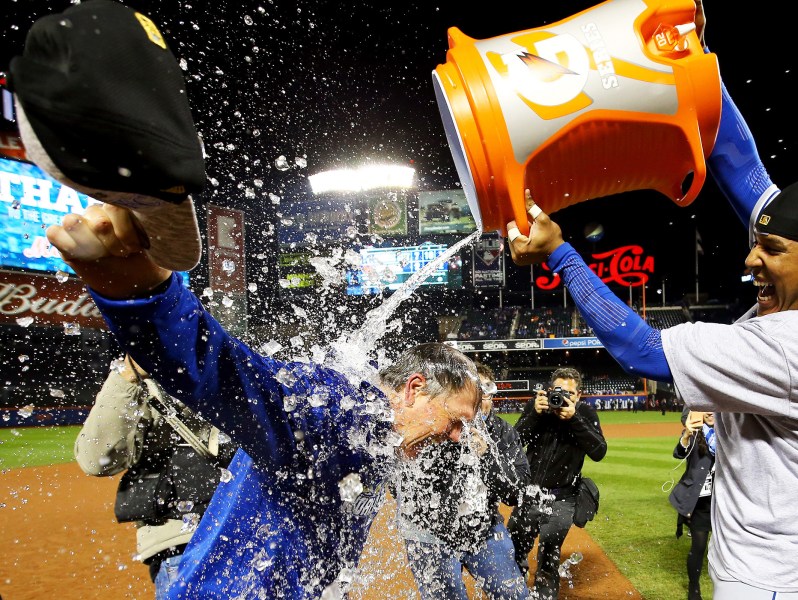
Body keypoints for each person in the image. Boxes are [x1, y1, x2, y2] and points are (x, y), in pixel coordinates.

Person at [504, 19, 798, 594]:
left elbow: (643, 349)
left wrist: (560, 253)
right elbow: (739, 163)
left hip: (777, 580)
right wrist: (692, 61)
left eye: (773, 249)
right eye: (758, 240)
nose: (752, 258)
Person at [46, 202, 483, 598]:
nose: (459, 436)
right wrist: (144, 297)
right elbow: (232, 377)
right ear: (414, 388)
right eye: (456, 420)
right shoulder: (339, 410)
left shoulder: (381, 437)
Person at [74, 355, 237, 598]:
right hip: (185, 544)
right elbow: (96, 460)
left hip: (257, 534)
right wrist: (129, 374)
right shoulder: (142, 381)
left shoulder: (239, 364)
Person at [394, 361, 530, 599]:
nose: (475, 405)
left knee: (513, 596)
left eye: (482, 395)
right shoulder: (434, 426)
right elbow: (399, 480)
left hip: (484, 531)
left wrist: (486, 455)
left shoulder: (502, 432)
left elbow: (516, 493)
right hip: (429, 535)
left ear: (490, 398)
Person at [506, 367, 607, 600]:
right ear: (549, 390)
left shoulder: (585, 414)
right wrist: (534, 414)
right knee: (513, 550)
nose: (562, 398)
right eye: (559, 392)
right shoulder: (538, 408)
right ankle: (515, 593)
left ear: (579, 395)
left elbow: (599, 451)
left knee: (548, 560)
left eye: (570, 394)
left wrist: (574, 420)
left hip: (562, 499)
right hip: (530, 494)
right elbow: (514, 443)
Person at [669, 409, 716, 600]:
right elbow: (679, 453)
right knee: (698, 546)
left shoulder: (729, 432)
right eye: (707, 408)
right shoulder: (696, 432)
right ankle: (693, 586)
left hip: (723, 500)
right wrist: (687, 434)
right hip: (700, 501)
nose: (711, 411)